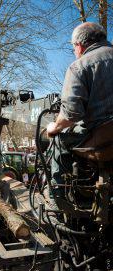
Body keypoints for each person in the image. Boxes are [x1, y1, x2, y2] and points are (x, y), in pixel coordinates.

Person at [46, 22, 113, 211]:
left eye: (73, 47)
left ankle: (58, 200)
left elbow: (71, 114)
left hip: (102, 140)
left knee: (59, 140)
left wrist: (54, 127)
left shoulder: (80, 66)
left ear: (79, 45)